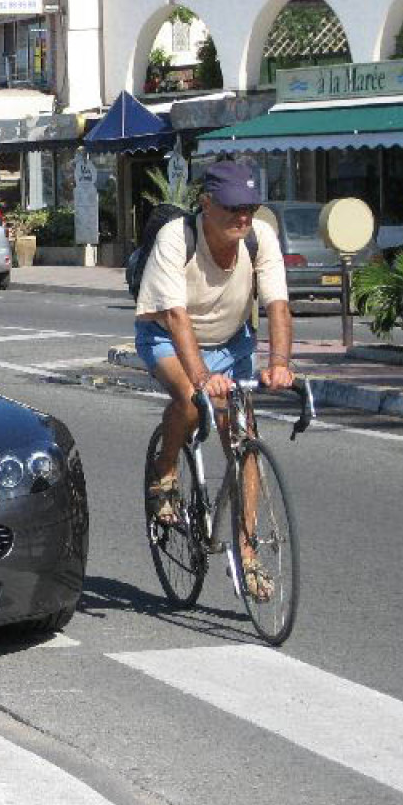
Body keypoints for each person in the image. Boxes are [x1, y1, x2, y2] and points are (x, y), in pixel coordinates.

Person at [134, 160, 293, 599]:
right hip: (167, 336)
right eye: (232, 208)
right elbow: (174, 314)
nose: (243, 217)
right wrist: (202, 376)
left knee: (244, 443)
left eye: (250, 207)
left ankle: (247, 556)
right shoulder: (176, 238)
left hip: (231, 341)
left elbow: (278, 305)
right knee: (189, 398)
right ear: (206, 204)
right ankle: (164, 474)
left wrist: (279, 363)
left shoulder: (260, 238)